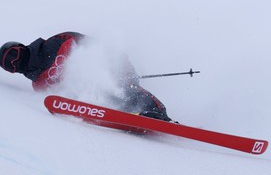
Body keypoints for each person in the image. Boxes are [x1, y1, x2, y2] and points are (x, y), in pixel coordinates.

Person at [0, 32, 172, 122]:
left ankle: (157, 112)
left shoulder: (50, 45)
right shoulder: (39, 84)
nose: (15, 62)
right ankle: (135, 115)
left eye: (14, 55)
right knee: (105, 93)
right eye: (9, 64)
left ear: (22, 48)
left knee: (116, 86)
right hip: (94, 87)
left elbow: (78, 40)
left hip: (110, 63)